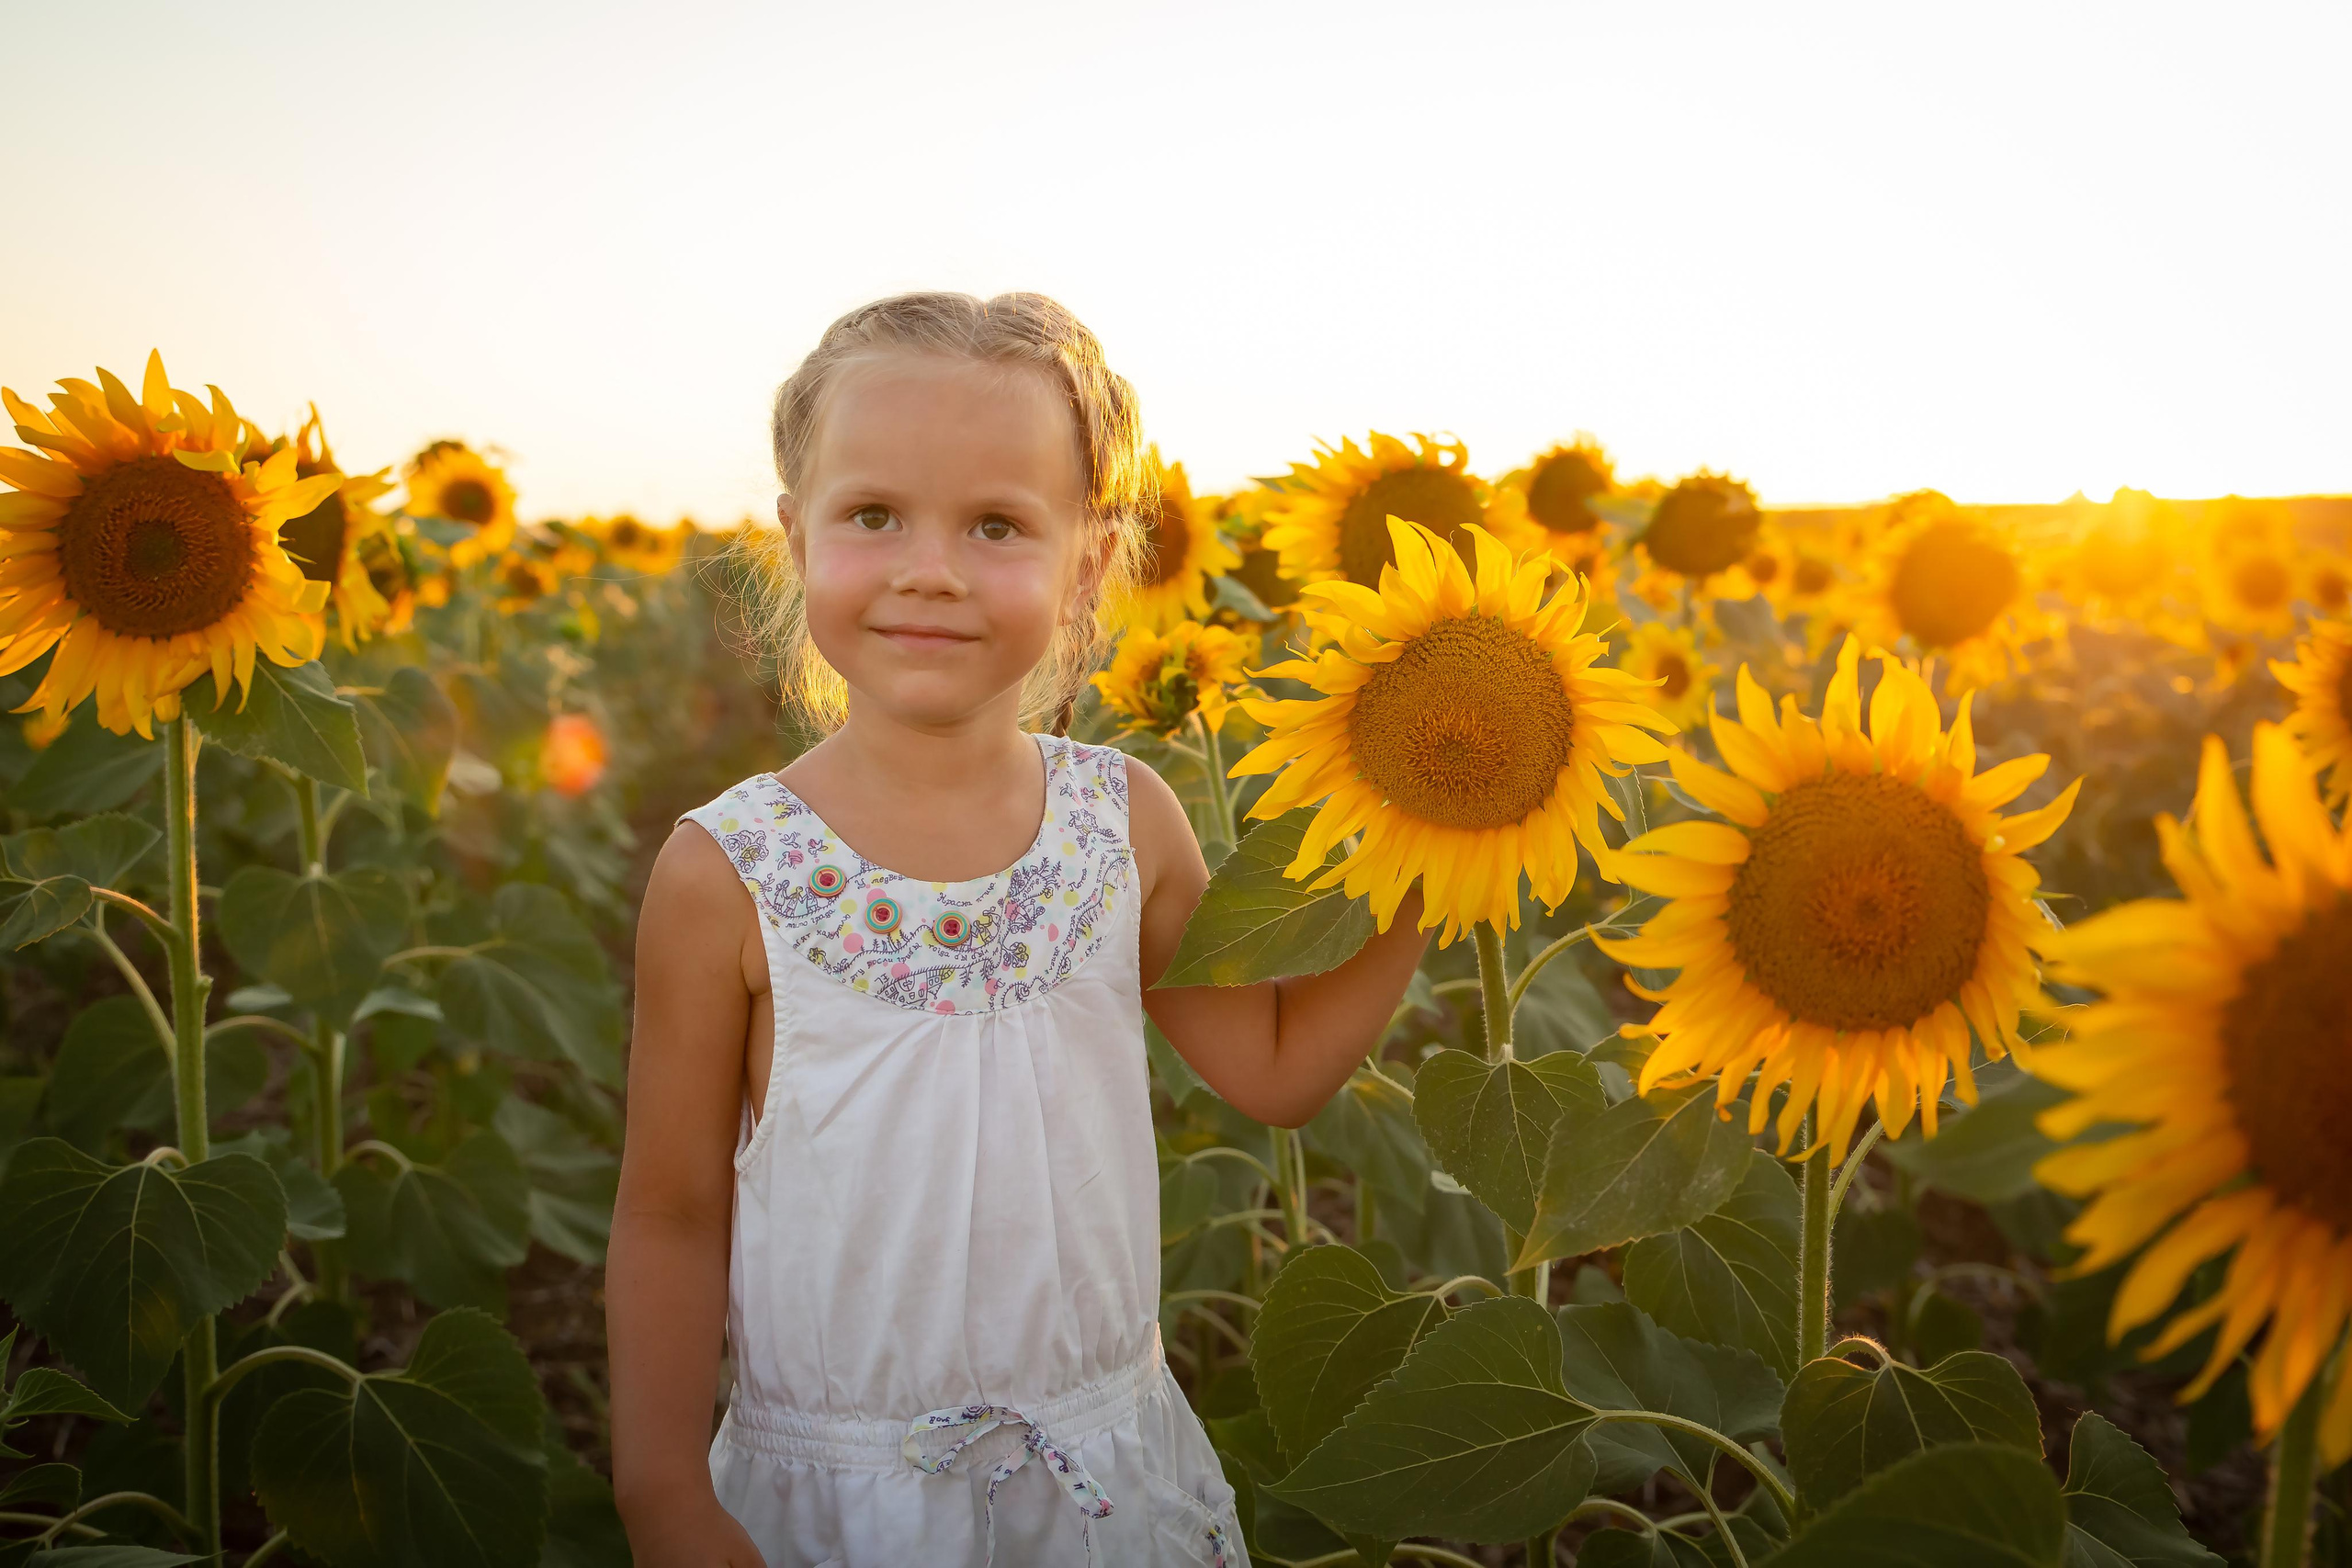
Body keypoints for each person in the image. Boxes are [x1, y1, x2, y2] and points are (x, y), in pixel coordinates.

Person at [607, 291, 1431, 1567]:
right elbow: (670, 1210)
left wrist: (1442, 854)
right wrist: (662, 1492)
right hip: (839, 1500)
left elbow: (1272, 1068)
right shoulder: (731, 870)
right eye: (875, 515)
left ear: (1088, 565)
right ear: (795, 538)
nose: (929, 567)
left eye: (996, 524)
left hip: (1099, 1489)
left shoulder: (1124, 824)